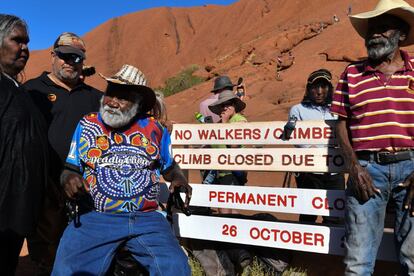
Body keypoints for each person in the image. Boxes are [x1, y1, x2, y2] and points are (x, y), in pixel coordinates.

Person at [52, 64, 192, 275]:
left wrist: (179, 179)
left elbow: (170, 167)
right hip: (95, 217)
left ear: (139, 103)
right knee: (67, 269)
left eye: (123, 97)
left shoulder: (155, 129)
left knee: (175, 267)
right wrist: (69, 178)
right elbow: (70, 168)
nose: (113, 102)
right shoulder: (87, 125)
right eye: (110, 93)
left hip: (148, 219)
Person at [331, 0, 414, 274]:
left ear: (401, 34)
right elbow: (341, 124)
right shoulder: (351, 74)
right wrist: (353, 166)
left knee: (413, 261)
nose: (374, 34)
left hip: (412, 169)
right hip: (366, 170)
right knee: (357, 263)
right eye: (372, 29)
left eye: (383, 28)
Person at [23, 32, 102, 274]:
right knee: (46, 252)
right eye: (64, 56)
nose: (69, 62)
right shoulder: (31, 91)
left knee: (85, 249)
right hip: (44, 187)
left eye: (76, 58)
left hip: (86, 187)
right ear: (53, 55)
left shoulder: (96, 98)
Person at [0, 14, 49, 275]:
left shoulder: (18, 89)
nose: (24, 48)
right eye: (17, 40)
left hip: (19, 208)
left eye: (27, 42)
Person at [289, 69, 345, 224]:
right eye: (315, 87)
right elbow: (295, 137)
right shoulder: (298, 110)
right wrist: (310, 147)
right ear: (309, 89)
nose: (319, 91)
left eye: (324, 86)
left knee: (335, 215)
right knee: (308, 215)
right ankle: (305, 248)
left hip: (334, 171)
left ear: (329, 88)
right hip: (309, 172)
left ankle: (331, 248)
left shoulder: (338, 110)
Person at [208, 90, 248, 214]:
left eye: (228, 104)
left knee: (226, 206)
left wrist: (225, 124)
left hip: (233, 170)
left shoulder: (240, 120)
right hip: (219, 171)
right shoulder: (219, 123)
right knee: (225, 205)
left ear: (234, 105)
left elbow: (233, 147)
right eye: (222, 105)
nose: (225, 107)